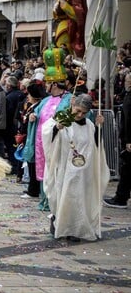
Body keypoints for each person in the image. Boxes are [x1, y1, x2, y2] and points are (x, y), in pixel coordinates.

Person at [42, 94, 109, 241]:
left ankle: (75, 228)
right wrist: (56, 128)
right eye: (77, 110)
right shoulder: (62, 120)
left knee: (78, 199)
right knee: (63, 196)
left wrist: (99, 128)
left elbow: (96, 146)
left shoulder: (89, 126)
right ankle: (59, 223)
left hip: (82, 170)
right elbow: (47, 132)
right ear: (72, 105)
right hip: (64, 167)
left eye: (84, 113)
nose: (79, 115)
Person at [22, 78, 73, 211]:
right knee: (43, 170)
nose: (45, 86)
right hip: (41, 143)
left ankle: (57, 202)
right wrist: (33, 116)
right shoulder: (46, 100)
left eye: (48, 83)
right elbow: (36, 112)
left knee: (56, 169)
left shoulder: (69, 99)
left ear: (55, 84)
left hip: (57, 142)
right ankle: (45, 199)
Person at [104, 60, 131, 208]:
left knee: (127, 169)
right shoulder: (127, 96)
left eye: (127, 80)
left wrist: (128, 140)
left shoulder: (130, 98)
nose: (125, 83)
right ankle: (121, 196)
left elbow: (129, 121)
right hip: (126, 138)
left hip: (128, 140)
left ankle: (121, 198)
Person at [19, 81, 47, 198]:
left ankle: (33, 190)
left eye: (29, 94)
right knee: (30, 163)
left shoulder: (38, 107)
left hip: (33, 138)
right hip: (28, 137)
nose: (27, 96)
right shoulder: (31, 106)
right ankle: (32, 187)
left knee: (33, 164)